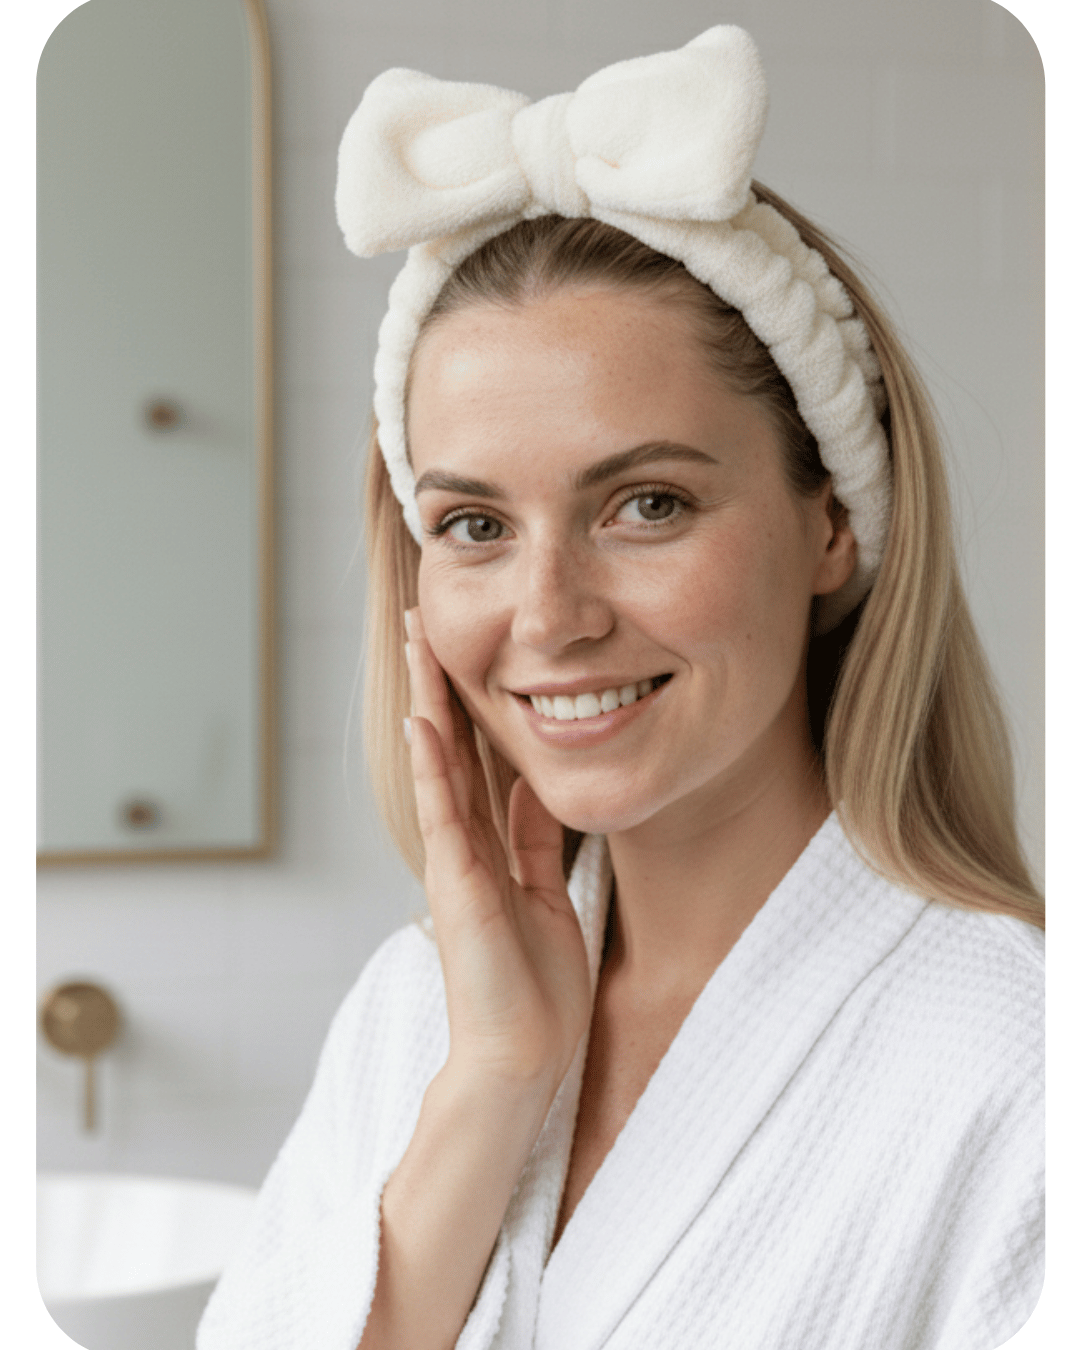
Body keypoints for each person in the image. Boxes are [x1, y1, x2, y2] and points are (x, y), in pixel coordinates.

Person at [197, 26, 1043, 1350]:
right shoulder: (414, 1014)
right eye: (474, 524)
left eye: (646, 503)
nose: (549, 615)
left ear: (831, 522)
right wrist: (491, 1085)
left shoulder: (1018, 1066)